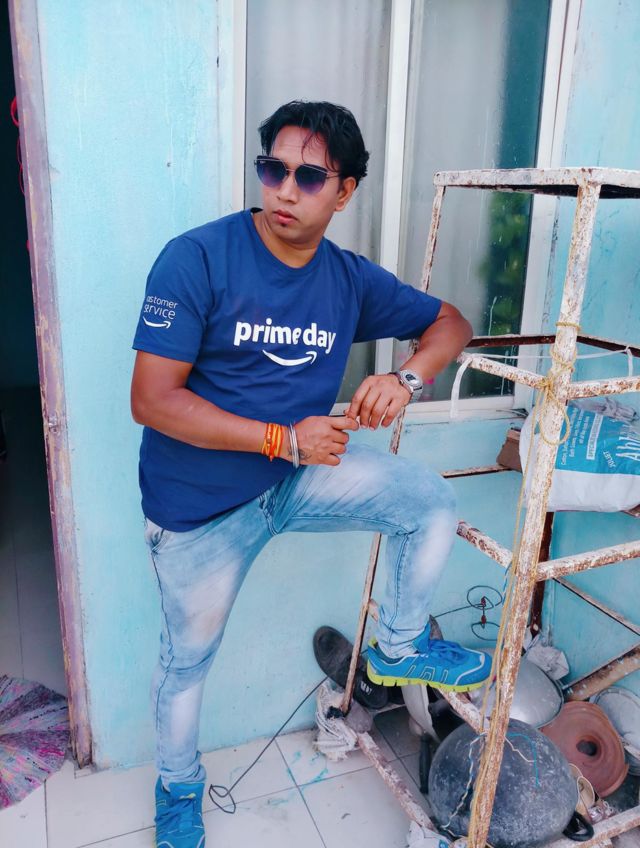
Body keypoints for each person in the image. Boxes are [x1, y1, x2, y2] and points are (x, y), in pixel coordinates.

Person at [131, 100, 490, 848]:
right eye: (274, 169)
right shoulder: (196, 259)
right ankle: (177, 787)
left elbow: (451, 322)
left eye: (310, 177)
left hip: (293, 476)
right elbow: (153, 401)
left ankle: (398, 646)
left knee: (428, 501)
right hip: (200, 506)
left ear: (345, 191)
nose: (285, 190)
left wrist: (408, 379)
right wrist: (280, 439)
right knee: (186, 663)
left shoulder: (346, 280)